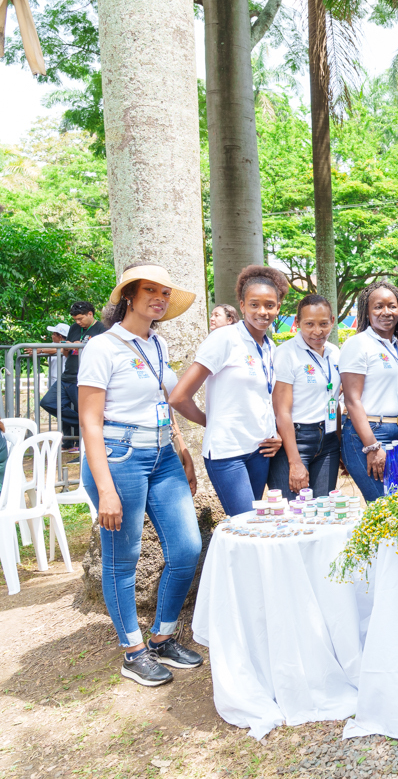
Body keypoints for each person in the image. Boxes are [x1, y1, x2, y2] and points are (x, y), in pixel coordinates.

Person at [78, 263, 205, 687]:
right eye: (150, 290)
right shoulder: (102, 346)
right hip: (119, 456)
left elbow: (166, 400)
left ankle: (162, 636)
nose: (159, 298)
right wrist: (106, 491)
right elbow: (90, 423)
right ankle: (132, 650)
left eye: (165, 292)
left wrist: (186, 443)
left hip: (162, 453)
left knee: (187, 548)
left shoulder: (157, 343)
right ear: (128, 296)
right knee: (123, 557)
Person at [170, 266, 287, 517]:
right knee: (245, 523)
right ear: (242, 305)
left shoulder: (271, 347)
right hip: (228, 453)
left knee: (253, 524)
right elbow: (178, 397)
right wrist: (210, 421)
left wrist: (276, 432)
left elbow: (266, 399)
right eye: (254, 304)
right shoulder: (224, 338)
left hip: (260, 451)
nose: (262, 312)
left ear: (278, 308)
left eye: (270, 305)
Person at [339, 281, 398, 501]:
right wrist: (372, 447)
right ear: (367, 311)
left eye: (392, 306)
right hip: (370, 434)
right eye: (378, 307)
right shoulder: (358, 344)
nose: (386, 312)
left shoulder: (397, 347)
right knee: (384, 507)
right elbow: (352, 401)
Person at [267, 295, 341, 500]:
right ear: (297, 323)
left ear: (332, 321)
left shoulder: (335, 353)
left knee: (323, 510)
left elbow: (335, 402)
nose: (317, 331)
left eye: (324, 324)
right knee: (293, 514)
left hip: (328, 441)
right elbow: (281, 411)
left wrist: (339, 443)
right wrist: (295, 462)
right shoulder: (286, 353)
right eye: (309, 324)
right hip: (296, 440)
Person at [62, 301, 109, 444]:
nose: (78, 322)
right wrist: (67, 347)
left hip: (86, 377)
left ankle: (85, 447)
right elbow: (66, 353)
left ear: (90, 314)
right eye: (75, 319)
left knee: (86, 412)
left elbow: (104, 351)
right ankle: (81, 424)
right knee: (49, 403)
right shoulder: (74, 328)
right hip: (68, 374)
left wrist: (83, 346)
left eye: (80, 318)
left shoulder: (102, 329)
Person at [38, 324, 77, 433]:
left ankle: (74, 436)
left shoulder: (66, 347)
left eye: (54, 334)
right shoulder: (52, 345)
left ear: (60, 336)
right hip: (56, 381)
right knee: (61, 411)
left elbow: (59, 350)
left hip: (67, 382)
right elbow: (52, 349)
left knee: (68, 409)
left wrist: (40, 351)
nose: (52, 336)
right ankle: (68, 439)